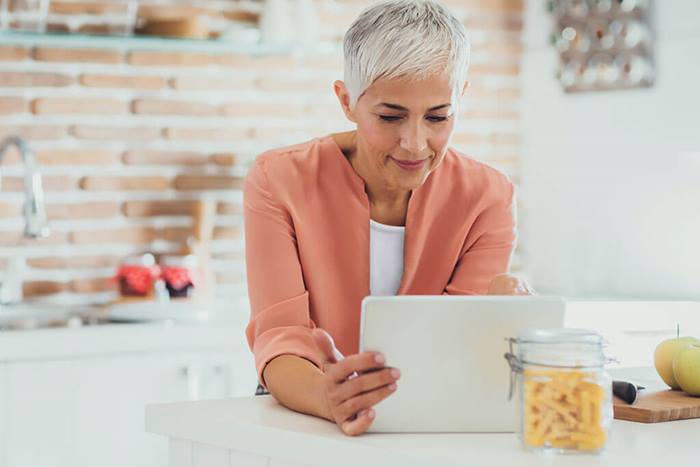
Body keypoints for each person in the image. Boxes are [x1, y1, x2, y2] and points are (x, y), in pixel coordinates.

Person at [244, 0, 533, 436]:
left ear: (460, 99)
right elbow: (280, 337)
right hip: (307, 413)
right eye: (390, 116)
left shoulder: (488, 196)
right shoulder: (279, 179)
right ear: (347, 101)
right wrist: (327, 395)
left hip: (431, 415)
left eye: (438, 117)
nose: (415, 144)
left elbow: (459, 342)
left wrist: (499, 318)